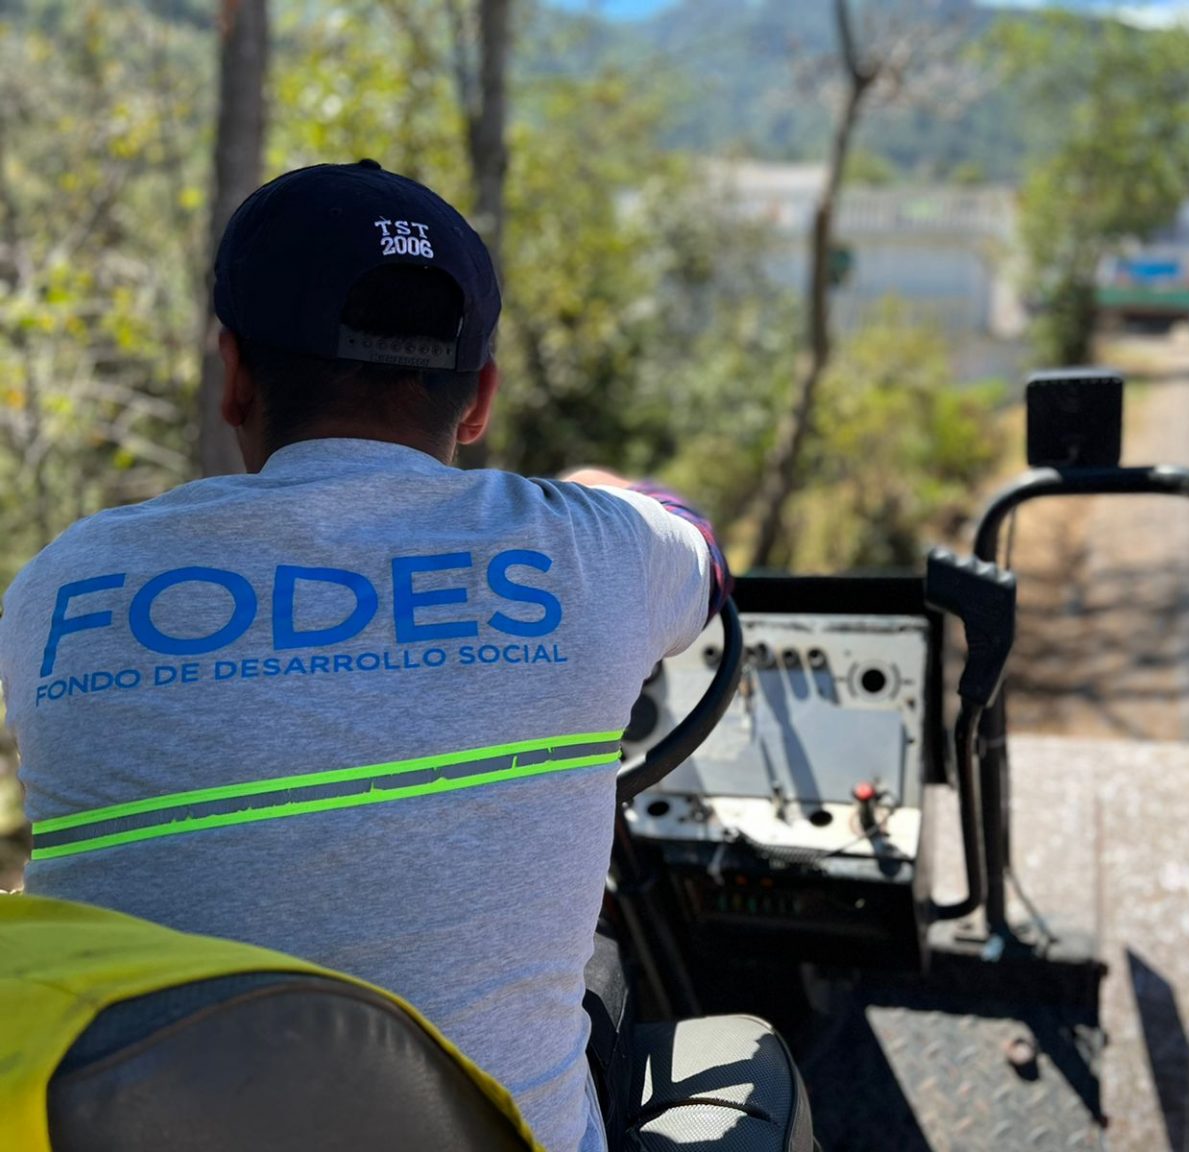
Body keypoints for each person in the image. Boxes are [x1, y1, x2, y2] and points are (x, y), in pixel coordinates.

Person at [0, 160, 729, 1152]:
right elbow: (702, 557)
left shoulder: (58, 584)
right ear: (479, 398)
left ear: (233, 376)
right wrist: (612, 494)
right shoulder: (595, 547)